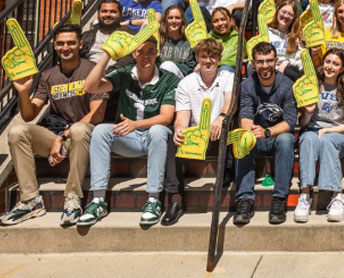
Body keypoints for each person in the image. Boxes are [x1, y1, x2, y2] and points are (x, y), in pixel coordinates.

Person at [2, 25, 106, 226]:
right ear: (55, 46)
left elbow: (97, 114)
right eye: (60, 43)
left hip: (86, 136)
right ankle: (30, 200)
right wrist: (23, 92)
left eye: (71, 43)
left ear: (80, 44)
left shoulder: (93, 69)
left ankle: (73, 198)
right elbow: (29, 115)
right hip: (60, 137)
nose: (65, 47)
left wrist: (62, 136)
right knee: (17, 132)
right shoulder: (48, 75)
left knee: (78, 130)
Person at [79, 36, 177, 226]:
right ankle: (98, 200)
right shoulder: (125, 74)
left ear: (157, 53)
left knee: (159, 130)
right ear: (134, 53)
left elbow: (167, 117)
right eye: (141, 51)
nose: (146, 55)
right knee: (100, 130)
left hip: (153, 138)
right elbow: (89, 87)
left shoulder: (168, 78)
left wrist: (136, 124)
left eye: (151, 51)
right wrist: (107, 55)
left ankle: (153, 200)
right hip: (129, 138)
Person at [164, 38, 234, 225]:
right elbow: (182, 117)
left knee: (231, 125)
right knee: (172, 138)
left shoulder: (227, 77)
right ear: (197, 58)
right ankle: (176, 199)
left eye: (213, 56)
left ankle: (228, 173)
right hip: (197, 136)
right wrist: (180, 130)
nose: (208, 61)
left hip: (220, 133)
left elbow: (230, 102)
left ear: (219, 58)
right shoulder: (186, 83)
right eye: (204, 56)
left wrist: (221, 118)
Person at [234, 42, 297, 225]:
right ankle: (244, 200)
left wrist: (268, 132)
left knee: (286, 140)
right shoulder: (247, 86)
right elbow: (245, 115)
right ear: (253, 63)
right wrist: (250, 132)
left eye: (269, 61)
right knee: (242, 138)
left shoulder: (287, 85)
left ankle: (279, 199)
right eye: (260, 62)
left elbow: (290, 121)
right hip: (257, 136)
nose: (265, 66)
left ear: (276, 61)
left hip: (276, 135)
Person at [294, 48, 344, 223]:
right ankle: (305, 195)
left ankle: (337, 196)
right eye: (327, 62)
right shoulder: (313, 85)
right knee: (307, 139)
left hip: (338, 135)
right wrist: (308, 112)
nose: (330, 66)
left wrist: (327, 131)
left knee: (327, 141)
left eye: (335, 64)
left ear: (342, 68)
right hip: (313, 131)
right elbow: (303, 124)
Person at [82, 0, 135, 72]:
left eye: (113, 12)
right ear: (98, 14)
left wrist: (107, 74)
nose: (108, 15)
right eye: (104, 11)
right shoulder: (86, 36)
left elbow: (129, 60)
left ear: (120, 14)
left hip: (115, 75)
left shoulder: (129, 35)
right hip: (87, 74)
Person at [267, 0, 304, 81]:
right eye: (283, 12)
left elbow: (301, 61)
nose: (286, 16)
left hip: (288, 74)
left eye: (290, 14)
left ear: (294, 18)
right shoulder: (267, 33)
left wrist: (288, 62)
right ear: (277, 12)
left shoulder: (297, 37)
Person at [159, 5, 196, 80]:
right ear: (165, 20)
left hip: (183, 79)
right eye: (170, 18)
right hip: (160, 79)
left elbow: (191, 67)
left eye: (177, 18)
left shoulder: (189, 40)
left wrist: (174, 66)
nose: (174, 21)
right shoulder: (159, 39)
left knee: (168, 65)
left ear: (182, 20)